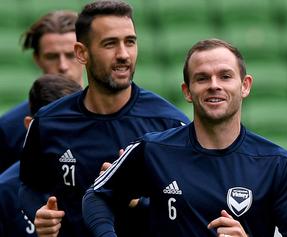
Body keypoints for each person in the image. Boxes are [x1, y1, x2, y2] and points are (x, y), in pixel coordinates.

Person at [82, 38, 287, 237]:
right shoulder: (152, 149)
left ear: (245, 86)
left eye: (225, 76)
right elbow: (97, 194)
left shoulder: (276, 164)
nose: (214, 85)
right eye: (202, 78)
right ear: (187, 91)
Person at [19, 1, 190, 237]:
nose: (123, 54)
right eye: (110, 44)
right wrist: (40, 214)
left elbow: (189, 211)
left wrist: (135, 200)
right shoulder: (48, 122)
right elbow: (29, 185)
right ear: (81, 53)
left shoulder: (169, 125)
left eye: (130, 42)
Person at [0, 10, 84, 173]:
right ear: (37, 59)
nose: (63, 66)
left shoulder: (113, 116)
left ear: (85, 54)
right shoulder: (9, 128)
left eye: (70, 55)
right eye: (52, 56)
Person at [0, 74, 82, 237]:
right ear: (30, 126)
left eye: (78, 124)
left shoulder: (100, 180)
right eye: (59, 127)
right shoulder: (5, 193)